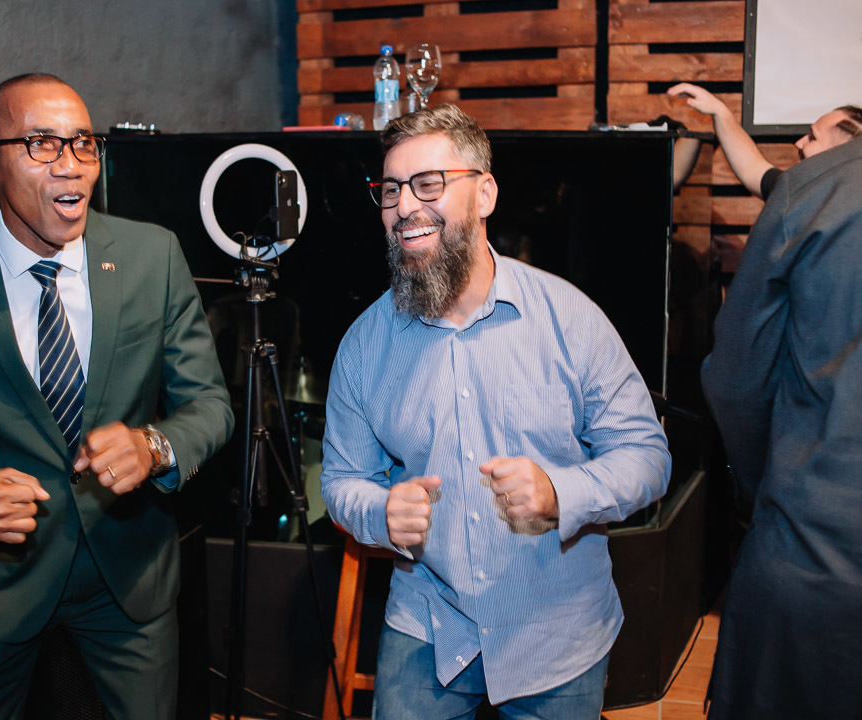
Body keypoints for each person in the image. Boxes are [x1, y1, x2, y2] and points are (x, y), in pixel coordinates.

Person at [0, 73, 233, 720]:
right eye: (42, 144)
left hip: (129, 581)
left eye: (83, 143)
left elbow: (211, 405)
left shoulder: (152, 256)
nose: (71, 164)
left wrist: (154, 445)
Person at [319, 105, 671, 719]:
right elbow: (341, 480)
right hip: (431, 620)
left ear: (484, 194)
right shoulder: (364, 346)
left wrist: (560, 492)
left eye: (428, 183)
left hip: (556, 626)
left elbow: (647, 458)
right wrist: (379, 511)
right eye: (391, 189)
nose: (405, 206)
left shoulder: (568, 318)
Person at [701, 131, 862, 718]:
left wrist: (761, 490)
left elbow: (737, 379)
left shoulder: (815, 189)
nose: (801, 141)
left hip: (814, 548)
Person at [667, 82, 862, 198]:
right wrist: (719, 111)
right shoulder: (796, 190)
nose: (799, 143)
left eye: (813, 138)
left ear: (841, 158)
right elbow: (752, 168)